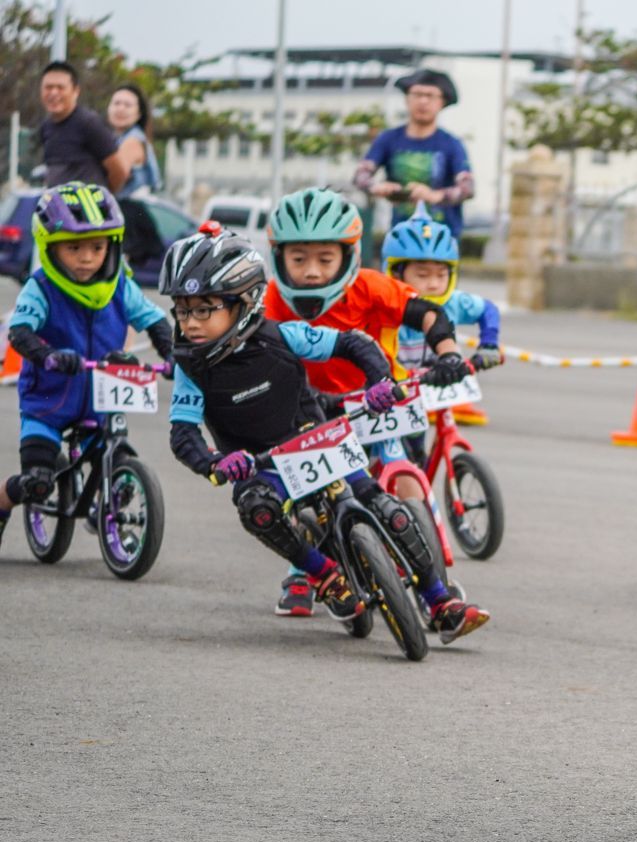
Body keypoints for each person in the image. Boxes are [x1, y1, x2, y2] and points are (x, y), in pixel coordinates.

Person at [161, 226, 489, 645]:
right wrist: (213, 462)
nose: (190, 323)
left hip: (317, 436)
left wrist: (378, 381)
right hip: (264, 464)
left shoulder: (281, 335)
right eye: (183, 311)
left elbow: (353, 344)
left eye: (204, 310)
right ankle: (322, 574)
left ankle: (440, 602)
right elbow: (182, 434)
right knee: (257, 509)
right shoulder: (190, 368)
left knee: (389, 509)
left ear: (243, 303)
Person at [261, 186, 479, 625]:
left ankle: (432, 584)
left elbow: (429, 313)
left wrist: (450, 353)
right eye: (298, 259)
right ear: (279, 256)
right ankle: (300, 571)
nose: (311, 272)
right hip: (311, 411)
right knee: (304, 493)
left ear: (348, 255)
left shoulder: (370, 287)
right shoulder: (272, 299)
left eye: (325, 259)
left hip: (377, 401)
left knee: (405, 479)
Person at [0, 183, 173, 546]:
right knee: (37, 482)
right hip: (47, 404)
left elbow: (154, 320)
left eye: (97, 247)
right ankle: (3, 502)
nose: (86, 258)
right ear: (50, 247)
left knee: (123, 455)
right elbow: (19, 332)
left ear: (112, 245)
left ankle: (108, 504)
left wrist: (171, 354)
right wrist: (47, 355)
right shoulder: (42, 288)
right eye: (73, 247)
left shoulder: (119, 287)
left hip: (101, 402)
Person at [382, 203, 501, 428]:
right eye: (423, 275)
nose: (434, 284)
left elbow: (488, 310)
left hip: (442, 382)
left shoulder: (453, 301)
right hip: (392, 392)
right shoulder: (384, 304)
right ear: (396, 273)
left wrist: (489, 344)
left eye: (441, 274)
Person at [354, 68, 474, 237]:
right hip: (400, 237)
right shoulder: (388, 139)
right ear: (406, 99)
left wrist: (434, 196)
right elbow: (361, 175)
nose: (423, 101)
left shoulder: (452, 144)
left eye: (430, 95)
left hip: (442, 240)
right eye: (417, 94)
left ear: (442, 102)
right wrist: (377, 187)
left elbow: (467, 188)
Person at [37, 61, 127, 191]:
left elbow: (118, 171)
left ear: (75, 91)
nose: (54, 93)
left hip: (87, 209)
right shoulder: (46, 126)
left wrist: (103, 199)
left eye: (60, 88)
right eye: (48, 87)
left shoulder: (89, 123)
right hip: (59, 208)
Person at [106, 84, 167, 276]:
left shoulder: (132, 140)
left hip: (128, 214)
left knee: (116, 275)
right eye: (116, 103)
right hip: (127, 212)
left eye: (127, 105)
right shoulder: (118, 138)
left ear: (139, 113)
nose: (121, 109)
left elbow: (115, 178)